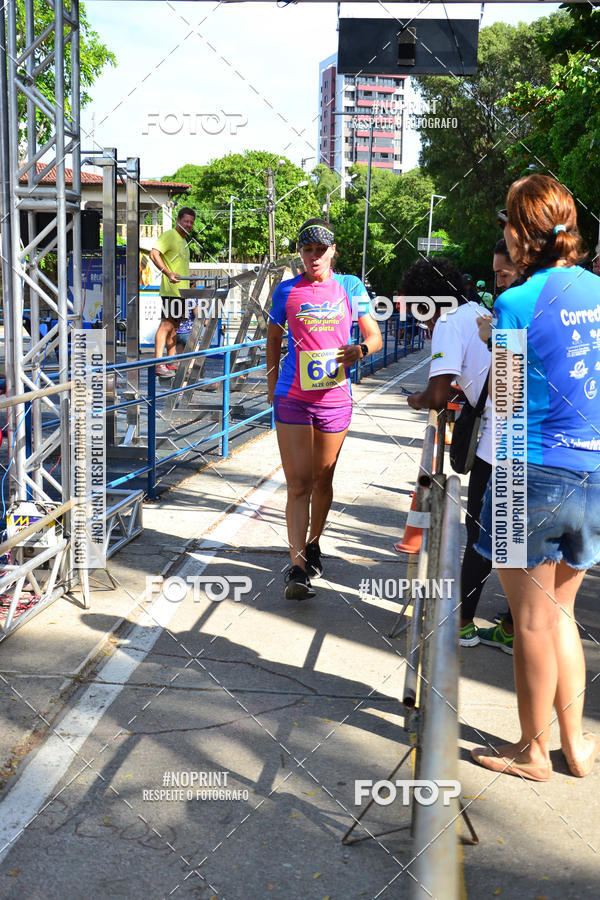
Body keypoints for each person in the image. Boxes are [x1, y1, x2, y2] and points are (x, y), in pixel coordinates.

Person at [471, 173, 600, 782]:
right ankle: (575, 747)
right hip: (593, 468)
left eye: (506, 222)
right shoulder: (597, 291)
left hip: (532, 470)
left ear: (523, 232)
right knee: (564, 614)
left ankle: (532, 750)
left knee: (530, 619)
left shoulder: (516, 303)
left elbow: (509, 402)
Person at [266, 218, 382, 600]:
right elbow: (272, 341)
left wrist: (359, 351)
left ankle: (314, 542)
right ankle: (297, 569)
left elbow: (375, 336)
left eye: (320, 250)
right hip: (293, 397)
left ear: (333, 252)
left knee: (323, 482)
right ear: (300, 254)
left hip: (335, 400)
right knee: (298, 485)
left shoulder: (350, 287)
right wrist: (272, 386)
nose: (314, 257)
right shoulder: (286, 291)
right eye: (307, 250)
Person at [403, 258, 495, 650]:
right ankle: (510, 626)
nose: (419, 321)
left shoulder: (446, 322)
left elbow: (437, 394)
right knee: (511, 536)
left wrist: (415, 399)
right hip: (528, 432)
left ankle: (461, 622)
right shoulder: (477, 310)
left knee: (481, 533)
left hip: (499, 439)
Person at [150, 207, 196, 378]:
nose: (189, 225)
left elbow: (177, 266)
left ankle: (171, 361)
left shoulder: (184, 242)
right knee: (167, 325)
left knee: (175, 327)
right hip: (172, 291)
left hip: (182, 291)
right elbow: (154, 254)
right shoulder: (170, 235)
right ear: (178, 220)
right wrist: (168, 273)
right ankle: (158, 363)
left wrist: (188, 277)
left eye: (191, 222)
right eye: (186, 221)